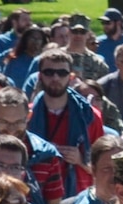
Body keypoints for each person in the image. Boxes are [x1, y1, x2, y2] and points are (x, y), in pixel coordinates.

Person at [27, 46, 102, 194]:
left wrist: (80, 159)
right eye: (49, 72)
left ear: (71, 77)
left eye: (62, 73)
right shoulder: (26, 115)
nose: (55, 78)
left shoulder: (90, 116)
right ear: (39, 76)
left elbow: (102, 168)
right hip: (36, 193)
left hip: (77, 196)